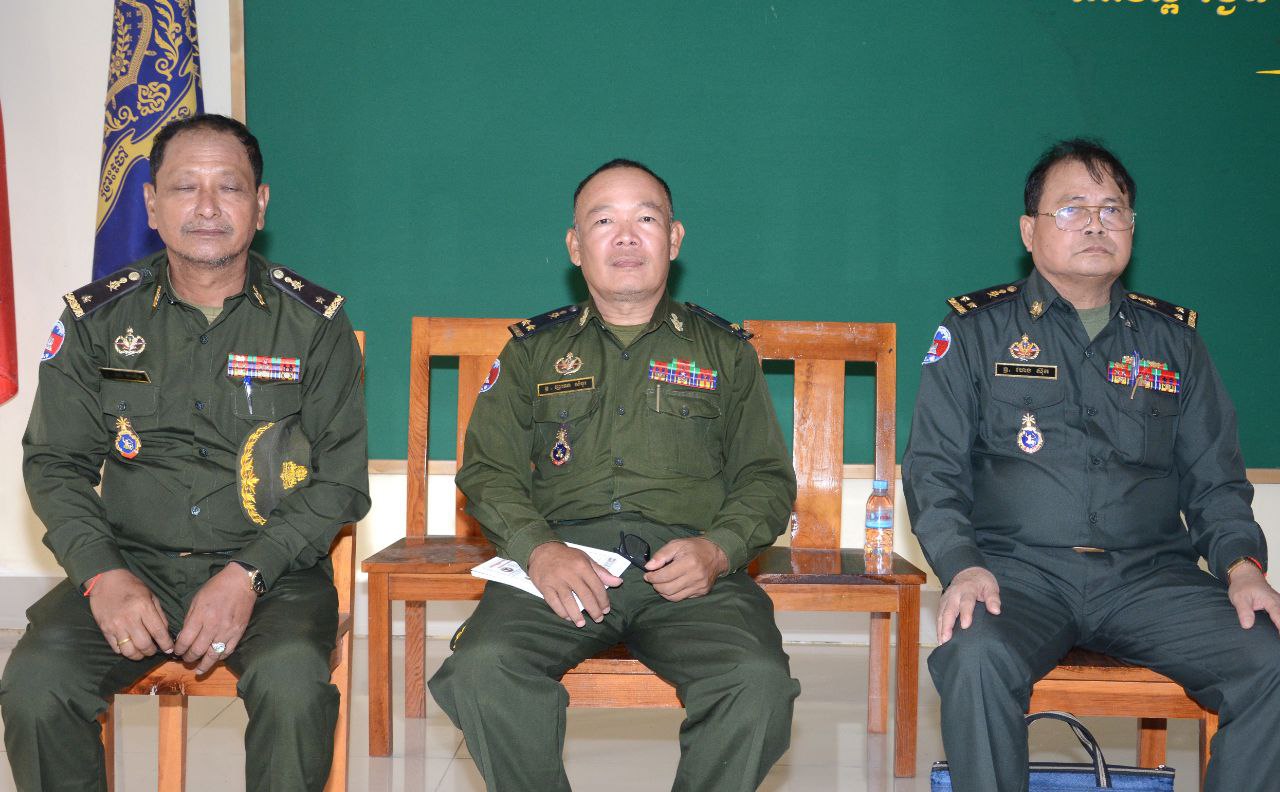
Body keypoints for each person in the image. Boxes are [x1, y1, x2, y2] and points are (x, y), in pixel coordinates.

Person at [0, 114, 370, 792]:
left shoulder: (313, 324)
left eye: (228, 187)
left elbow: (340, 481)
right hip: (130, 564)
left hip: (273, 575)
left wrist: (247, 575)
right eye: (183, 187)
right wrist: (101, 575)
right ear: (150, 204)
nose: (206, 207)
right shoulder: (96, 321)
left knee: (293, 688)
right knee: (35, 686)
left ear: (260, 205)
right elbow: (54, 464)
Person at [904, 138, 1280, 791]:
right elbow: (933, 469)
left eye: (1113, 210)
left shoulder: (1174, 341)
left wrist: (1243, 567)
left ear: (1133, 227)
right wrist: (961, 565)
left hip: (1149, 579)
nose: (1096, 224)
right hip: (1018, 576)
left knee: (1268, 657)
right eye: (1073, 208)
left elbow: (1215, 480)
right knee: (974, 655)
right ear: (1030, 231)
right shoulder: (974, 331)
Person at [428, 159, 800, 791]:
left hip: (688, 570)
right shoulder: (532, 351)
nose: (626, 237)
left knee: (757, 684)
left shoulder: (725, 352)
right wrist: (538, 550)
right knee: (483, 669)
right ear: (576, 246)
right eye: (604, 222)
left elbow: (766, 477)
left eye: (645, 219)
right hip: (560, 565)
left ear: (674, 240)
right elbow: (487, 471)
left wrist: (718, 550)